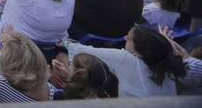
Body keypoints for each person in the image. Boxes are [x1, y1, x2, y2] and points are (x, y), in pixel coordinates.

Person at [64, 24, 197, 98]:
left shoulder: (126, 60)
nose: (124, 37)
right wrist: (163, 42)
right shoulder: (170, 63)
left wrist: (64, 42)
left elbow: (80, 49)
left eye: (128, 38)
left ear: (139, 49)